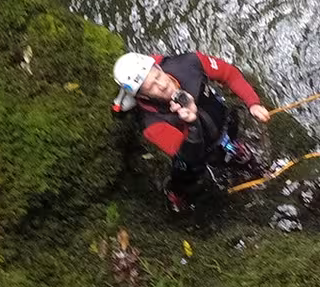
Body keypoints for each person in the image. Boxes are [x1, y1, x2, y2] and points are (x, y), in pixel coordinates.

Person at [112, 50, 274, 211]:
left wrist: (253, 103)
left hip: (222, 123)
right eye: (151, 87)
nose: (162, 85)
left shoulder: (190, 63)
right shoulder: (153, 124)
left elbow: (229, 74)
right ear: (144, 97)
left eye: (158, 76)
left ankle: (235, 150)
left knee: (242, 154)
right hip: (199, 149)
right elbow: (188, 156)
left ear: (159, 68)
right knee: (187, 172)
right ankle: (178, 193)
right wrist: (192, 123)